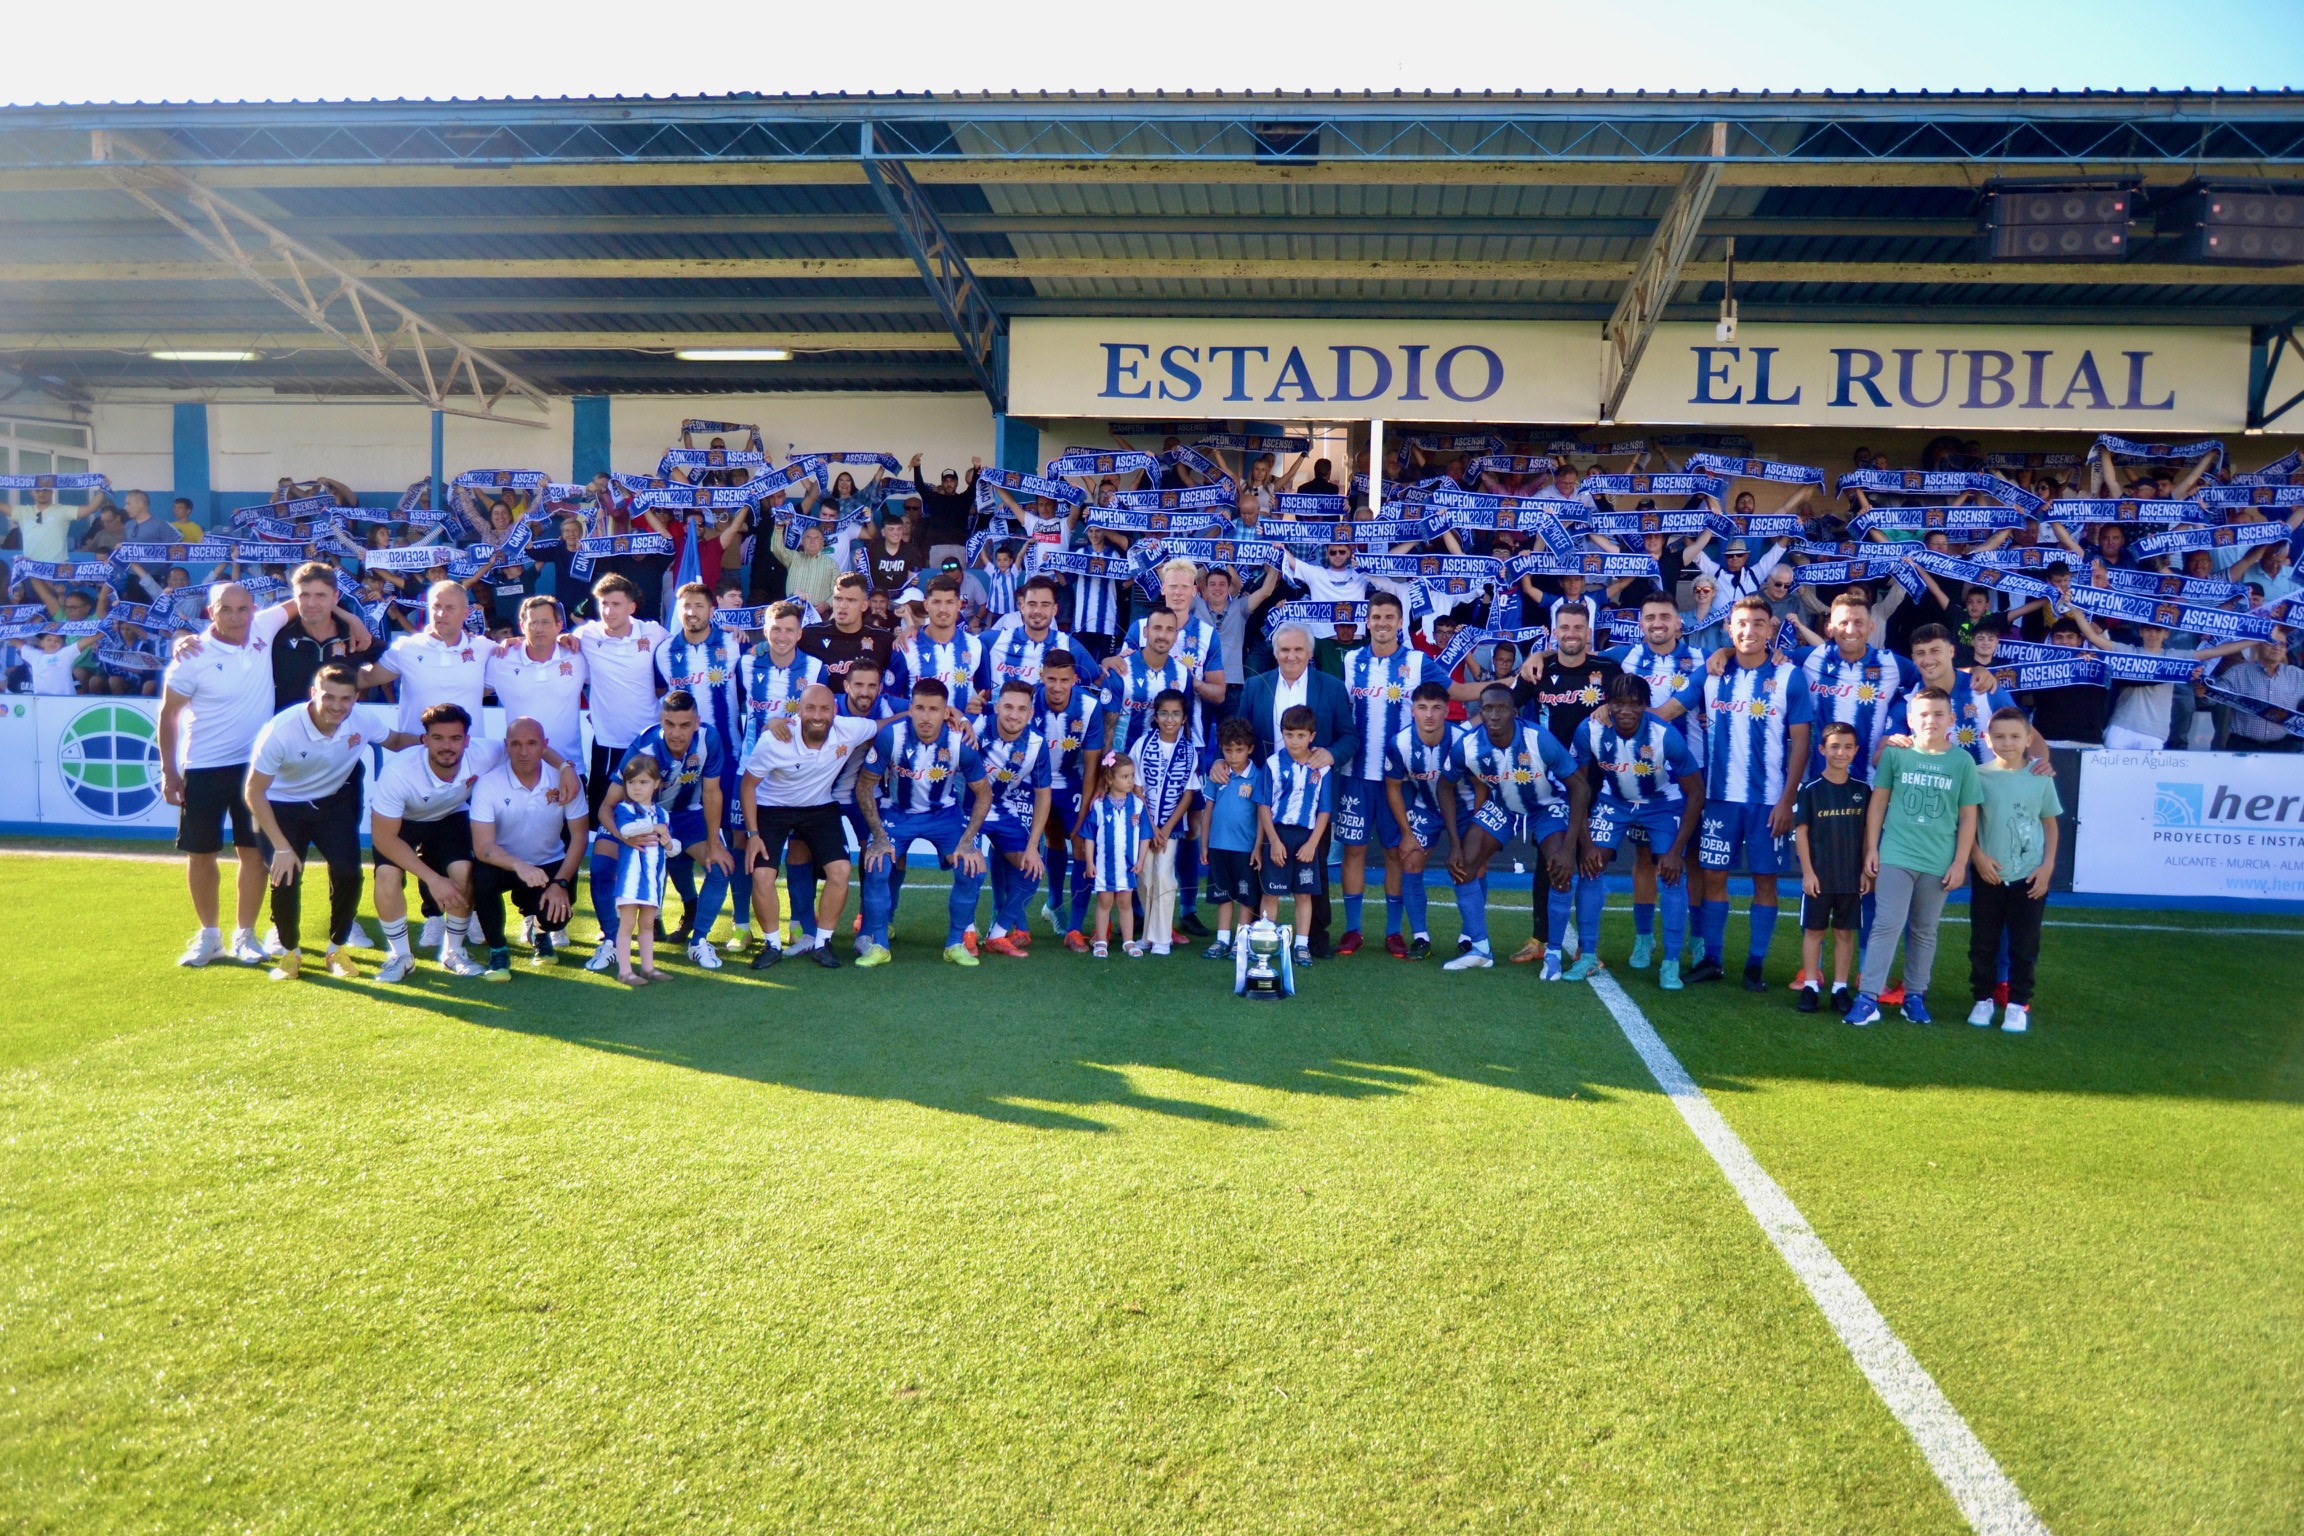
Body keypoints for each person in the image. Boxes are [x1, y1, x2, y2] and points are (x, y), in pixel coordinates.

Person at [1656, 596, 1815, 989]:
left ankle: (1755, 964)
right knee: (1713, 877)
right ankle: (1712, 959)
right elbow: (1672, 710)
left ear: (1771, 627)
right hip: (1719, 799)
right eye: (1741, 624)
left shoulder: (1789, 676)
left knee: (1766, 882)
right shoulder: (1712, 672)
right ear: (1729, 628)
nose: (1749, 631)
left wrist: (1787, 800)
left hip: (1768, 803)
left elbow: (1801, 743)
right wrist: (1618, 711)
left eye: (1758, 624)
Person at [369, 702, 553, 983]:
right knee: (387, 874)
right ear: (425, 739)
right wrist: (432, 879)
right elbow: (384, 837)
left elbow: (528, 746)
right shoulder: (398, 772)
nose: (447, 746)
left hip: (449, 817)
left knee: (463, 872)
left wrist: (564, 767)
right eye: (438, 738)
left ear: (467, 740)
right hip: (402, 823)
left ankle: (453, 953)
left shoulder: (484, 753)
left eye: (455, 738)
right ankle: (401, 956)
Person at [1846, 688, 1984, 1028]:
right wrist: (1872, 848)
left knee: (1924, 930)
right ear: (1910, 719)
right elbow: (1877, 803)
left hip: (1938, 860)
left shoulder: (1962, 761)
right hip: (1896, 853)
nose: (1930, 720)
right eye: (1923, 714)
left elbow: (1968, 816)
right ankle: (1868, 997)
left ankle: (1914, 996)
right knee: (1887, 923)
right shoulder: (1897, 754)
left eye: (1938, 714)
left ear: (1952, 720)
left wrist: (1959, 862)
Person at [159, 581, 278, 967]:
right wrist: (169, 771)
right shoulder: (191, 656)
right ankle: (209, 936)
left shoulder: (264, 627)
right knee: (201, 853)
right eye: (227, 609)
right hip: (204, 767)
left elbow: (306, 600)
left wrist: (352, 621)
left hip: (255, 770)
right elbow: (168, 715)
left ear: (253, 610)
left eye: (244, 609)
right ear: (211, 612)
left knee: (254, 854)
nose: (237, 617)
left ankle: (246, 935)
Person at [1570, 673, 1706, 989]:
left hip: (1662, 804)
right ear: (1608, 704)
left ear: (1645, 706)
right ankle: (1587, 955)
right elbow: (1577, 787)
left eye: (1634, 704)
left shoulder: (1665, 736)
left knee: (1672, 873)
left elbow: (1696, 792)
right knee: (1590, 868)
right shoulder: (1589, 730)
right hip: (1614, 800)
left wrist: (1675, 852)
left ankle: (1670, 962)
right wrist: (1586, 842)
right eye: (1619, 703)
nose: (1626, 710)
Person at [1229, 624, 1357, 955]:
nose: (1291, 656)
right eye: (1285, 649)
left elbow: (1349, 736)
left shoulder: (1331, 687)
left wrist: (1331, 754)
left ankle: (1314, 937)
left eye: (1298, 650)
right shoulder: (1257, 686)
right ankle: (1259, 933)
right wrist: (1223, 762)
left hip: (1312, 797)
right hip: (1266, 794)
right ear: (1275, 652)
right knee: (1260, 860)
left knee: (1314, 866)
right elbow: (1240, 733)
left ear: (1310, 653)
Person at [586, 690, 735, 973]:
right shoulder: (644, 747)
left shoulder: (709, 739)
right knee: (602, 867)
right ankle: (611, 941)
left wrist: (714, 842)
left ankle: (699, 941)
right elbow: (606, 807)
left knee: (721, 865)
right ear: (661, 721)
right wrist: (623, 835)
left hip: (687, 815)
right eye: (669, 724)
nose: (676, 733)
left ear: (697, 722)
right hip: (638, 818)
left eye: (685, 725)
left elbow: (713, 794)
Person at [243, 661, 371, 982]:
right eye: (328, 697)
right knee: (285, 875)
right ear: (313, 693)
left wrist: (436, 744)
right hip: (279, 806)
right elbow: (254, 792)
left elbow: (397, 740)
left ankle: (337, 949)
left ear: (356, 699)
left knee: (348, 873)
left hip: (331, 805)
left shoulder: (362, 721)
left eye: (345, 699)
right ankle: (289, 952)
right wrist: (282, 848)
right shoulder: (281, 730)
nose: (336, 706)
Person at [853, 678, 992, 968]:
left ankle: (955, 943)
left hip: (944, 816)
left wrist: (967, 841)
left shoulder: (959, 744)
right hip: (897, 813)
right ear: (911, 709)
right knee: (876, 863)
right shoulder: (891, 736)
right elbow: (864, 787)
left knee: (972, 868)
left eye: (933, 709)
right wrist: (878, 836)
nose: (926, 717)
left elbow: (984, 794)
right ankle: (879, 944)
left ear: (946, 712)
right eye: (919, 708)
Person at [739, 683, 878, 969]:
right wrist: (753, 834)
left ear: (834, 711)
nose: (818, 715)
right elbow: (748, 786)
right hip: (772, 808)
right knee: (763, 875)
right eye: (811, 708)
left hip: (818, 807)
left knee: (840, 870)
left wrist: (956, 716)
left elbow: (885, 724)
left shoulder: (847, 729)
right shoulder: (774, 740)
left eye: (825, 708)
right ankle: (772, 945)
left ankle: (822, 943)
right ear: (798, 710)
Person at [1605, 592, 1708, 969]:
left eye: (1665, 616)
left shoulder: (1702, 658)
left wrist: (1728, 654)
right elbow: (1578, 659)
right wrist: (1537, 656)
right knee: (1644, 858)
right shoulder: (1623, 658)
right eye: (1650, 617)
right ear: (1641, 624)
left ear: (1679, 622)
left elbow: (1738, 655)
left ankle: (1695, 940)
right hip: (1643, 780)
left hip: (1691, 774)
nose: (1657, 623)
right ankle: (1644, 939)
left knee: (1691, 859)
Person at [1337, 589, 1428, 957]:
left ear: (1400, 622)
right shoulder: (1352, 661)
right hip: (1354, 774)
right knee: (1354, 850)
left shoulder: (1418, 662)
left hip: (1399, 779)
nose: (1382, 624)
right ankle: (1353, 929)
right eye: (1376, 617)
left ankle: (1393, 932)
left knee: (1394, 852)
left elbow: (1451, 692)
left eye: (1389, 617)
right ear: (1367, 621)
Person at [468, 715, 590, 979]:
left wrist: (560, 884)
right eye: (516, 744)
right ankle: (498, 951)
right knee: (481, 879)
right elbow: (483, 847)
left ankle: (538, 927)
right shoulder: (489, 783)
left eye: (532, 743)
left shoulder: (565, 780)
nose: (524, 752)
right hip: (502, 862)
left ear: (544, 745)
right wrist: (519, 866)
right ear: (506, 745)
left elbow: (579, 836)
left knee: (557, 916)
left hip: (548, 863)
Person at [1966, 707, 2063, 1033]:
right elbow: (1966, 825)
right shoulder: (1977, 775)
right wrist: (1977, 857)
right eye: (1999, 737)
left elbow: (2050, 826)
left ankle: (2018, 1003)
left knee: (2024, 944)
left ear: (2028, 738)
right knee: (1983, 942)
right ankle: (1982, 999)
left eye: (2014, 736)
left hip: (2030, 877)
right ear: (1987, 739)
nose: (2007, 743)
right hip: (1989, 875)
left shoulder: (2040, 776)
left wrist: (2047, 866)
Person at [1381, 681, 1486, 965]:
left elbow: (1480, 786)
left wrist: (1477, 828)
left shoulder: (1464, 739)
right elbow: (1393, 789)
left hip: (1465, 809)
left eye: (1437, 708)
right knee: (1410, 860)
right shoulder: (1399, 743)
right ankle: (1421, 938)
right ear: (1412, 710)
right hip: (1425, 808)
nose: (1429, 714)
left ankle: (1470, 938)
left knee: (1475, 864)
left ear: (1446, 711)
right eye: (1423, 707)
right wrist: (1406, 834)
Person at [566, 573, 671, 823]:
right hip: (607, 740)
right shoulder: (585, 635)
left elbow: (683, 648)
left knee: (647, 816)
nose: (608, 610)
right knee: (603, 816)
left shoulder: (653, 632)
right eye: (603, 603)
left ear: (631, 607)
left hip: (647, 738)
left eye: (616, 604)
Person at [1791, 721, 1870, 1016]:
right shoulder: (1811, 789)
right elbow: (1801, 833)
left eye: (1848, 747)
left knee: (1844, 933)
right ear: (1822, 749)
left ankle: (1839, 988)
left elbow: (1866, 834)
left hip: (1850, 878)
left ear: (1856, 751)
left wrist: (1865, 870)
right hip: (1819, 877)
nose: (1841, 752)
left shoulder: (1862, 790)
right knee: (1813, 931)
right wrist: (1808, 872)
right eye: (1835, 746)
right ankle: (1811, 985)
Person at [356, 578, 488, 751]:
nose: (441, 614)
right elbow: (366, 679)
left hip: (470, 761)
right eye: (436, 607)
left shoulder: (485, 648)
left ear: (466, 612)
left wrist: (518, 642)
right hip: (415, 759)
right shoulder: (406, 647)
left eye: (450, 608)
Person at [975, 681, 1053, 958]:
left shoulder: (1036, 744)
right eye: (1008, 706)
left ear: (1031, 714)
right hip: (965, 809)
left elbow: (1044, 795)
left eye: (1022, 709)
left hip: (1002, 808)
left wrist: (1033, 845)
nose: (1013, 714)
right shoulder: (975, 728)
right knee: (970, 867)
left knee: (1032, 868)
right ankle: (965, 933)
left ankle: (997, 935)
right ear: (997, 707)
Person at [1258, 704, 1337, 971]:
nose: (1295, 741)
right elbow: (1264, 805)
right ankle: (1266, 941)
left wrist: (1313, 843)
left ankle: (1301, 944)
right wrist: (1274, 841)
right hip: (1278, 835)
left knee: (1304, 894)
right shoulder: (1272, 763)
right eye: (1289, 734)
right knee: (1272, 892)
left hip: (1306, 838)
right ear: (1282, 734)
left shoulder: (1322, 768)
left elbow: (1325, 809)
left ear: (1312, 736)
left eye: (1301, 735)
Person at [1033, 649, 1103, 951]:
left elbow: (1091, 768)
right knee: (1050, 839)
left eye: (1064, 680)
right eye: (1051, 679)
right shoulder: (1028, 701)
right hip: (1035, 783)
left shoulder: (1089, 707)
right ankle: (1052, 904)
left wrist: (1085, 809)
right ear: (1041, 676)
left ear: (1075, 679)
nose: (1057, 686)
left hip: (1073, 782)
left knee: (1080, 844)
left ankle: (1075, 928)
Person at [1129, 689, 1201, 956]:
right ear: (1155, 716)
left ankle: (1162, 938)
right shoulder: (1142, 744)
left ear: (1184, 718)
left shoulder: (1189, 751)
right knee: (1145, 876)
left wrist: (1167, 828)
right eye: (1164, 713)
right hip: (1144, 825)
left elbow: (1188, 793)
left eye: (1175, 714)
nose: (1169, 719)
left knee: (1163, 876)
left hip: (1172, 829)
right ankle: (1148, 934)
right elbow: (1137, 788)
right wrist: (1152, 827)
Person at [1201, 716, 1269, 961]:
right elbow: (1207, 810)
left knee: (1245, 896)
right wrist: (1205, 842)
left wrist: (1258, 847)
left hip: (1245, 848)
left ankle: (1242, 940)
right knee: (1223, 895)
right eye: (1228, 750)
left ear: (1250, 749)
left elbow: (1262, 814)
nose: (1233, 755)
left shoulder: (1258, 777)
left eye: (1239, 750)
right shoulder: (1217, 775)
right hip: (1219, 846)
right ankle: (1221, 939)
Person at [608, 755, 674, 986]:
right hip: (630, 879)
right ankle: (625, 971)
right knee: (626, 925)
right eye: (632, 782)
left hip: (654, 880)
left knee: (647, 925)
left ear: (656, 784)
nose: (637, 787)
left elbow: (673, 849)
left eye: (643, 782)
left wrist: (669, 843)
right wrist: (653, 827)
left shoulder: (663, 815)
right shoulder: (625, 808)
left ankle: (648, 968)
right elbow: (626, 830)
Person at [1082, 754, 1149, 958]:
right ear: (1110, 779)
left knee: (1125, 903)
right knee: (1104, 902)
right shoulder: (1099, 805)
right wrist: (1089, 862)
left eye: (1132, 776)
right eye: (1125, 776)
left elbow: (1145, 836)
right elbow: (1089, 836)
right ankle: (1101, 941)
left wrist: (1141, 860)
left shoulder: (1137, 805)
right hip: (1104, 866)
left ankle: (1128, 941)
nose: (1131, 781)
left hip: (1127, 867)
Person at [799, 573, 896, 687]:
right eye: (838, 598)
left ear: (864, 605)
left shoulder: (883, 639)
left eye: (851, 600)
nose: (842, 605)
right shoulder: (810, 635)